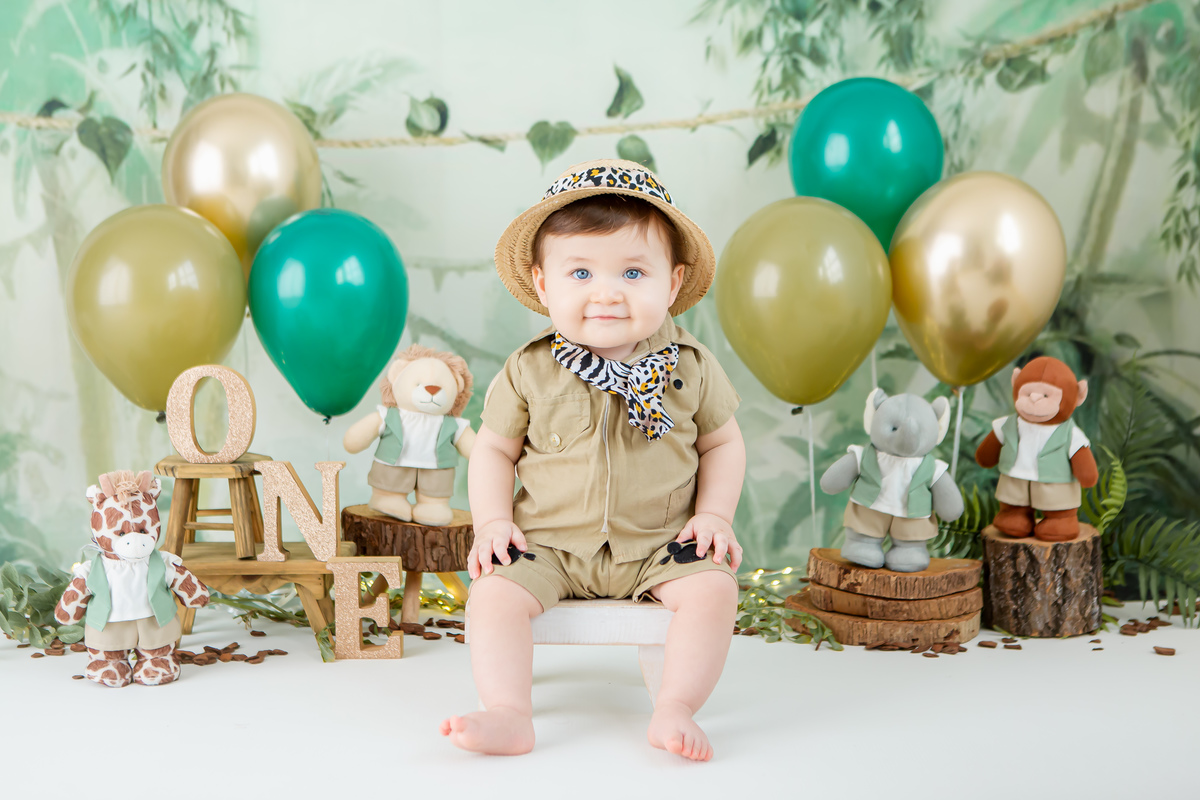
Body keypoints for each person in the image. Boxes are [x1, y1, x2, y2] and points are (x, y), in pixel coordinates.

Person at [440, 159, 745, 761]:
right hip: (547, 545)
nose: (606, 293)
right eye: (580, 272)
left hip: (660, 546)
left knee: (714, 589)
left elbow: (722, 444)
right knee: (493, 595)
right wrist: (493, 523)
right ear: (543, 283)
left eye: (633, 272)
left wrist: (714, 516)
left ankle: (675, 705)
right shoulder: (528, 368)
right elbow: (494, 450)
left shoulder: (692, 367)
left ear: (673, 284)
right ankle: (509, 712)